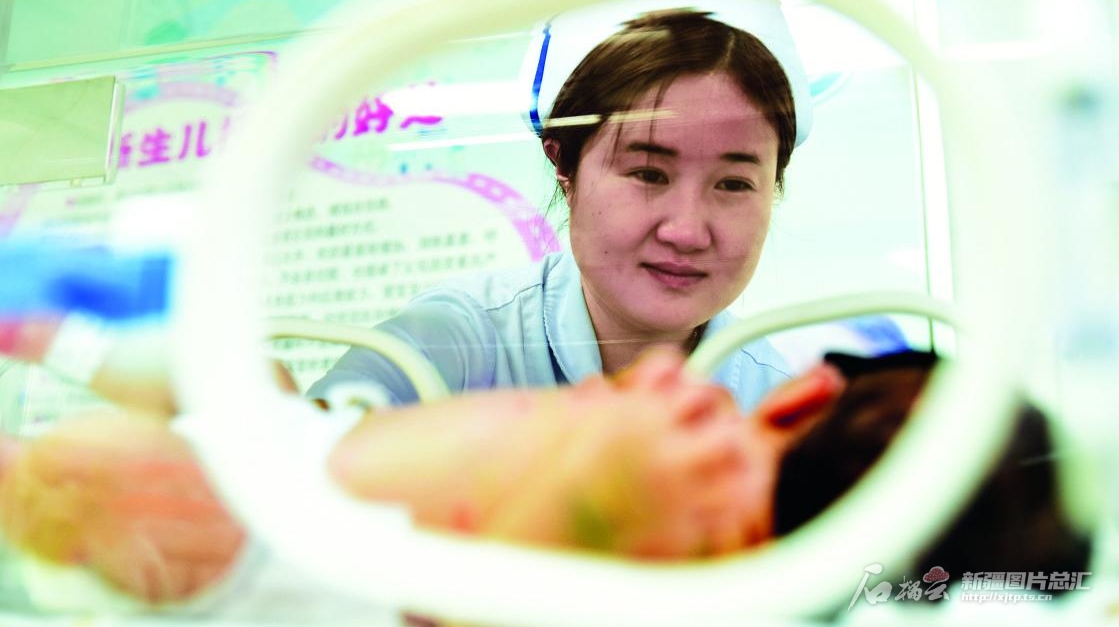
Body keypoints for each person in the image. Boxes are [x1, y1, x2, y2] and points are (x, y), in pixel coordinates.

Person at [0, 347, 1091, 612]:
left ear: (808, 393)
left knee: (96, 480)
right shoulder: (727, 558)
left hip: (276, 540)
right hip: (302, 469)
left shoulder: (683, 443)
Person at [309, 2, 808, 412]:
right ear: (564, 166)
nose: (687, 231)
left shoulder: (777, 401)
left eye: (734, 184)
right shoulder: (455, 345)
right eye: (648, 174)